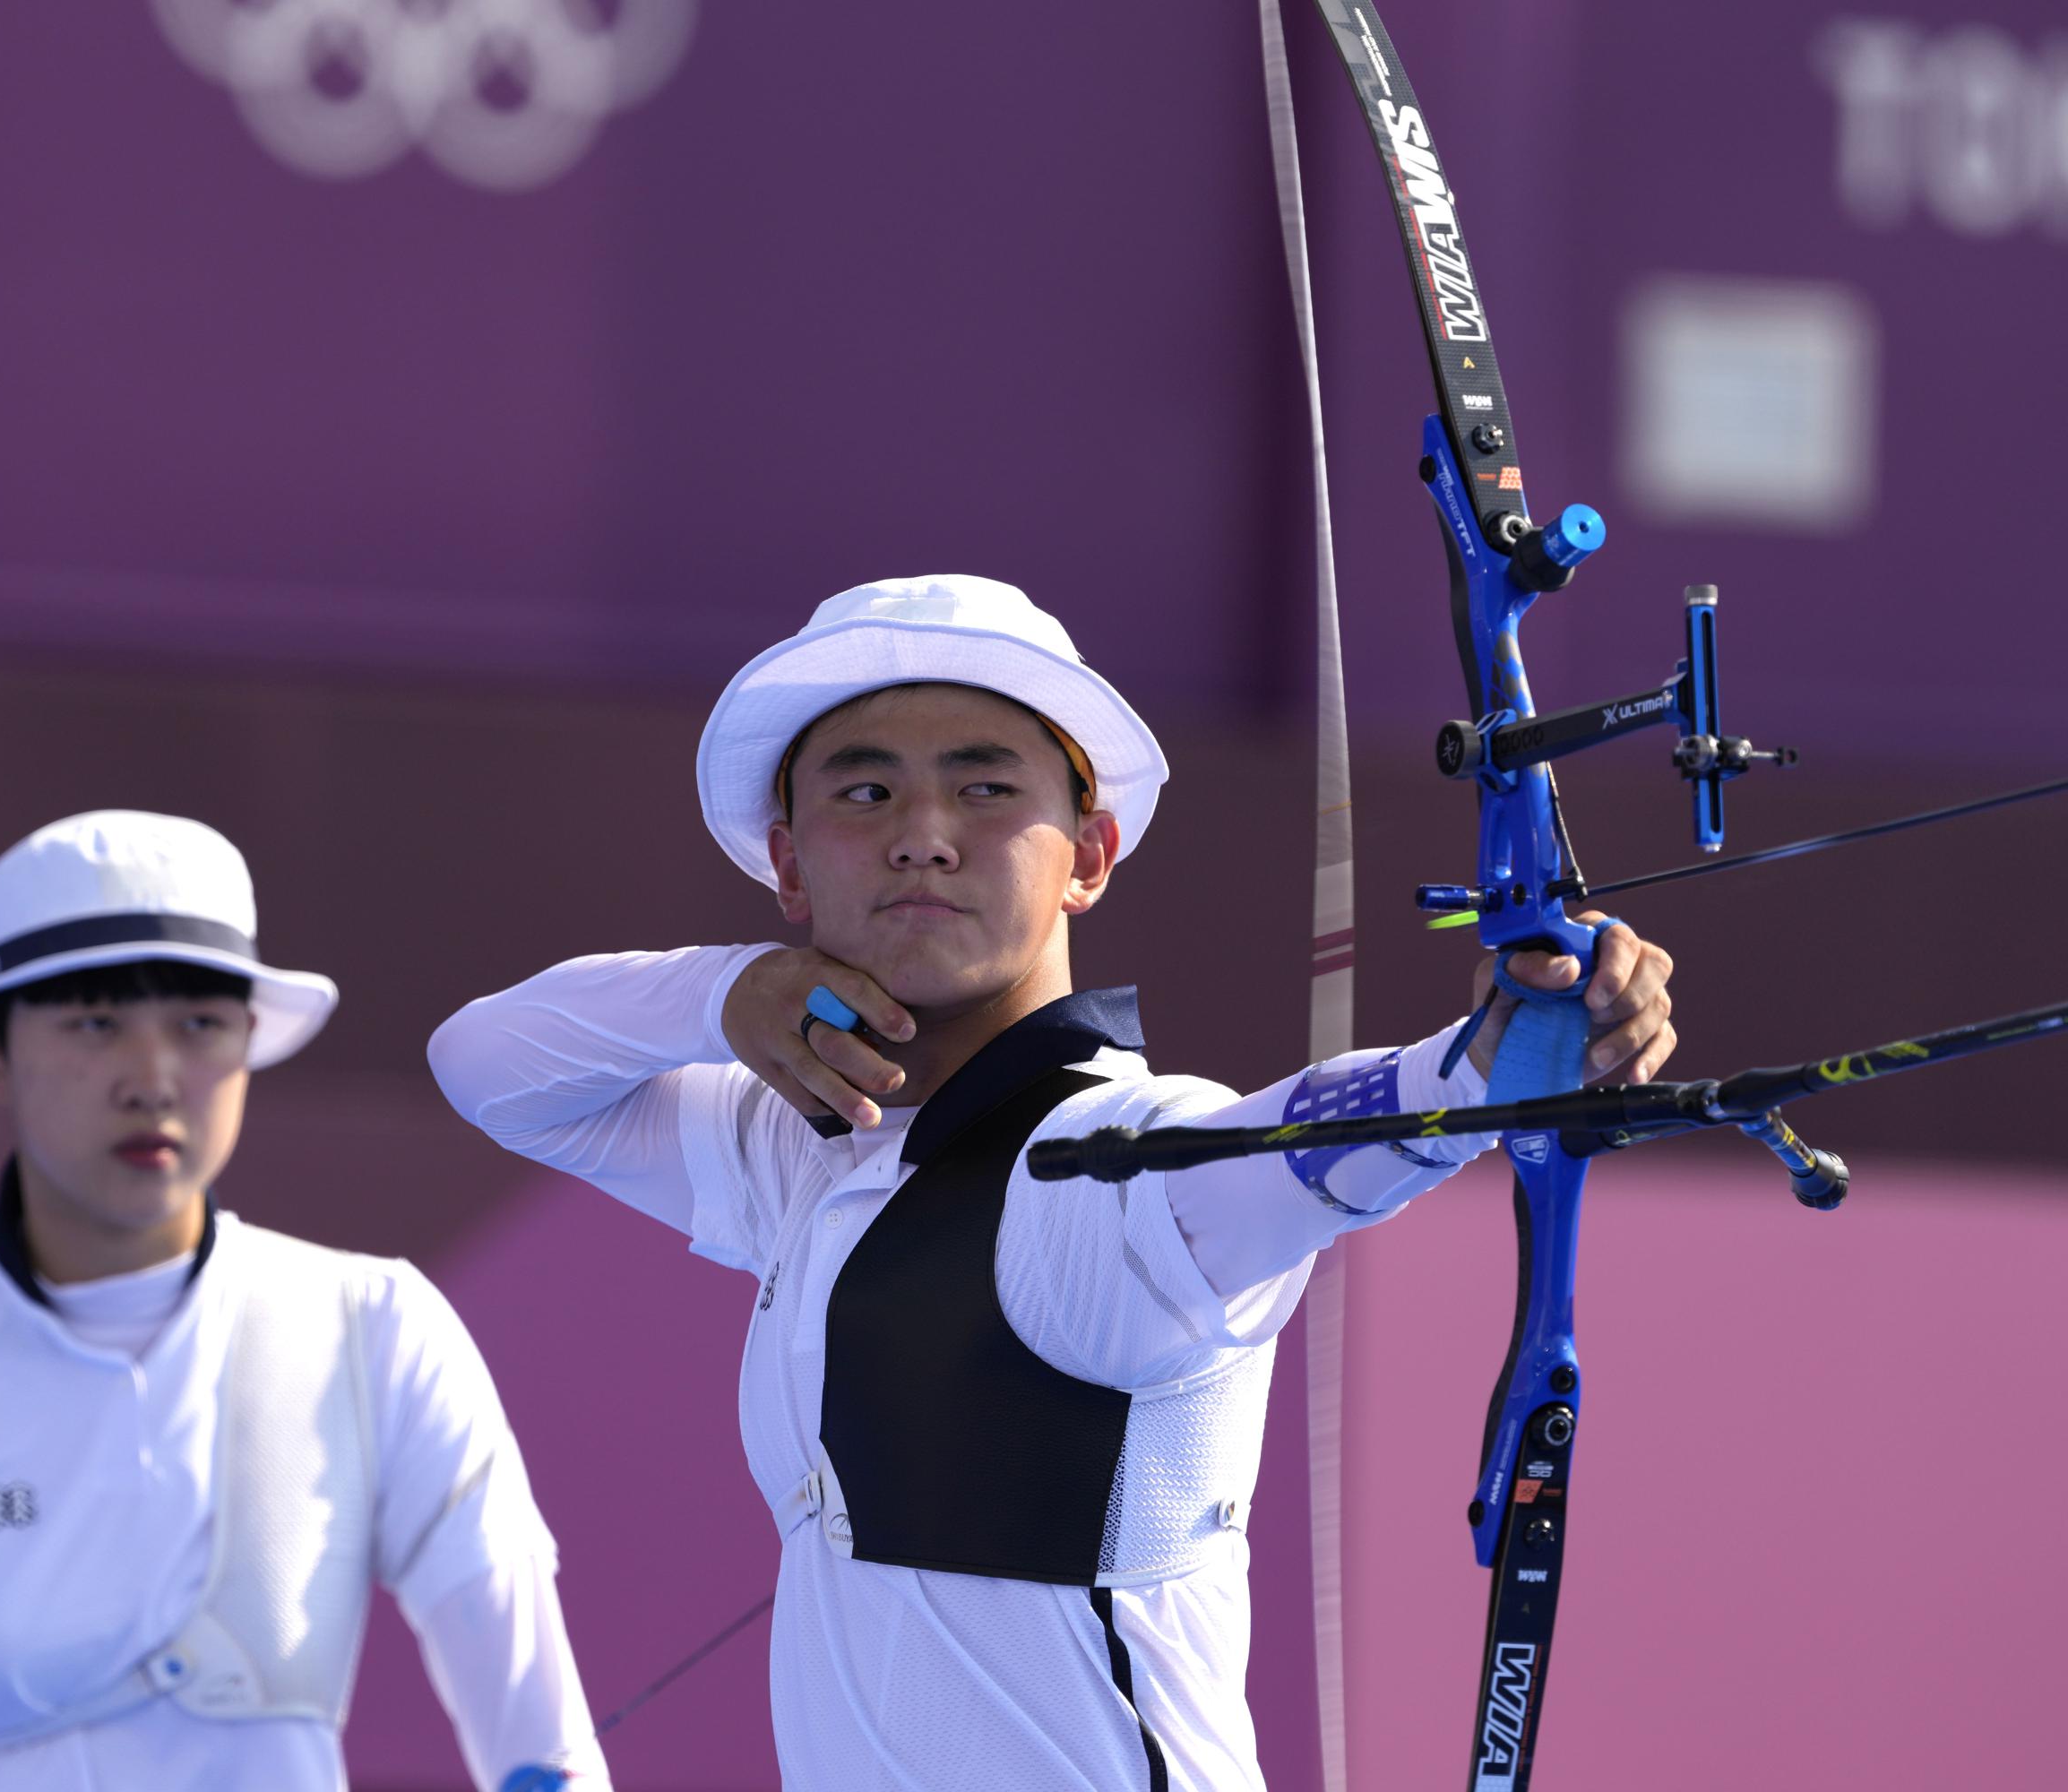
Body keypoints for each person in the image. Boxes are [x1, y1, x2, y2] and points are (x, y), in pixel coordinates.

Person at [427, 575, 1676, 1789]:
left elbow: (1285, 1153)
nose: (924, 835)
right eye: (865, 791)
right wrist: (718, 990)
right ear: (791, 866)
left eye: (985, 785)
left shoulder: (1114, 1163)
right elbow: (488, 1066)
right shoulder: (805, 1151)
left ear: (1087, 852)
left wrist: (1477, 1071)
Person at [0, 811, 610, 1791]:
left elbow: (544, 1746)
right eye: (95, 1020)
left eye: (200, 1022)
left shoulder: (376, 1324)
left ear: (250, 1042)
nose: (154, 1078)